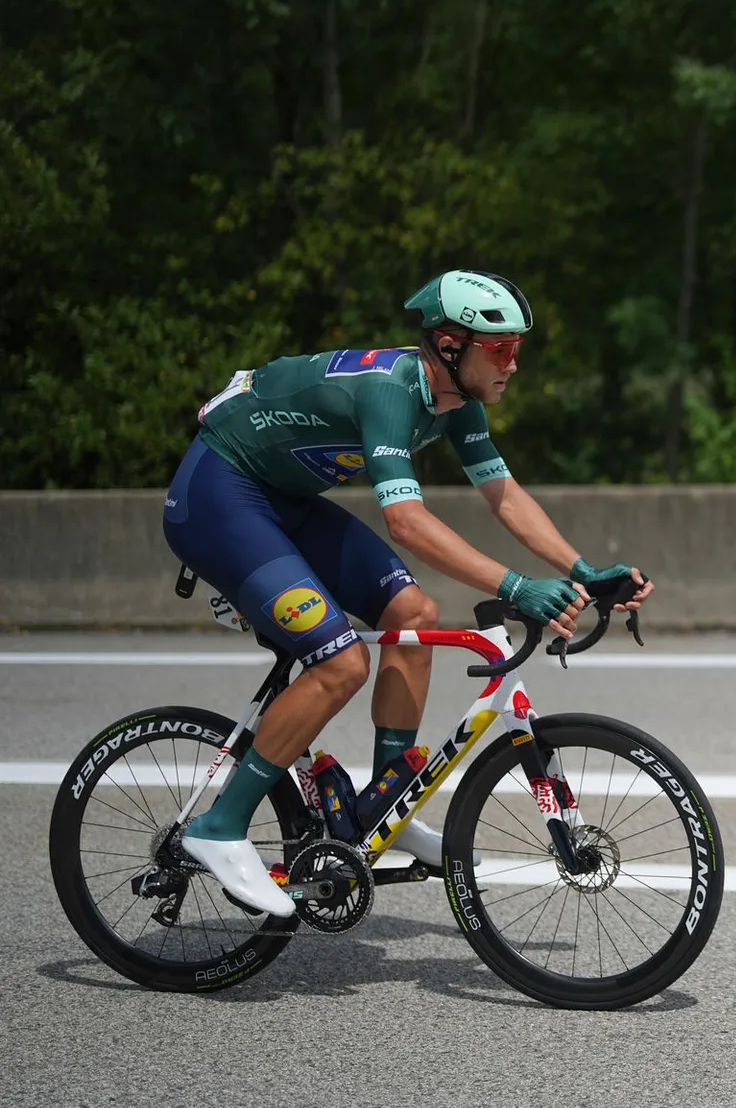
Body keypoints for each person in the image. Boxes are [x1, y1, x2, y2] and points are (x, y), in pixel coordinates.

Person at [162, 270, 652, 916]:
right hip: (219, 498)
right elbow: (406, 522)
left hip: (284, 503)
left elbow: (504, 496)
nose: (514, 362)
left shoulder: (458, 401)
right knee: (341, 663)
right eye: (501, 348)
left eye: (517, 347)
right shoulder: (391, 393)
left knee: (414, 613)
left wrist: (582, 570)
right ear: (450, 345)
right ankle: (218, 827)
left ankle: (383, 808)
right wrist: (516, 585)